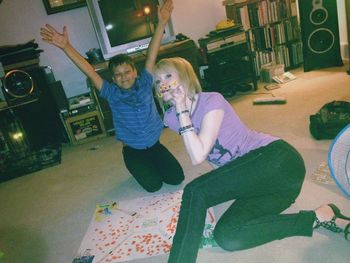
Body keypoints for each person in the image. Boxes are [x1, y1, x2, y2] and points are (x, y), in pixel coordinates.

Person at [152, 57, 350, 263]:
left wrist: (183, 109)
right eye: (157, 81)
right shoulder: (171, 118)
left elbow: (198, 155)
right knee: (226, 236)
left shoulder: (211, 101)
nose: (162, 83)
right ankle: (318, 217)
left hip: (278, 161)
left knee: (194, 191)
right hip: (274, 192)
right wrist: (219, 187)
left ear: (185, 76)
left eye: (168, 76)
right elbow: (209, 157)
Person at [40, 0, 184, 193]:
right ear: (113, 79)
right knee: (153, 186)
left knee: (176, 178)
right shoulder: (112, 93)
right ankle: (137, 165)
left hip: (155, 145)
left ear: (135, 72)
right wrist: (66, 46)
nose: (123, 77)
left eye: (127, 71)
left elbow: (151, 55)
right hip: (133, 151)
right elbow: (91, 72)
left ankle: (154, 163)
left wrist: (162, 23)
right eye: (118, 74)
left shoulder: (144, 83)